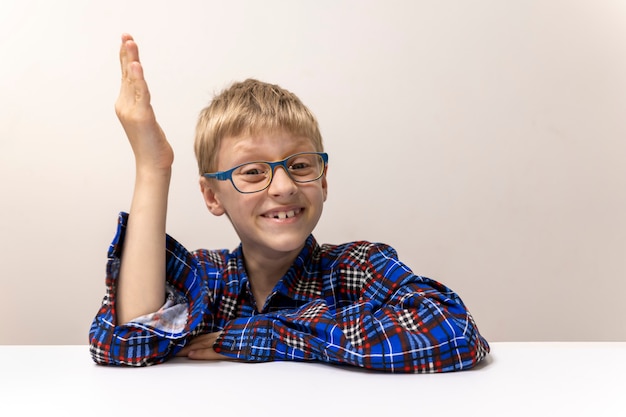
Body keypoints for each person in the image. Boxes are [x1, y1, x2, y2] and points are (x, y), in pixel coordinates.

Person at [89, 33, 490, 372]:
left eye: (299, 165)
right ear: (212, 195)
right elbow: (127, 342)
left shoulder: (357, 268)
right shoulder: (207, 280)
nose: (283, 186)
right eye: (252, 171)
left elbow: (455, 332)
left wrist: (266, 333)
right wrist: (153, 169)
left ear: (324, 179)